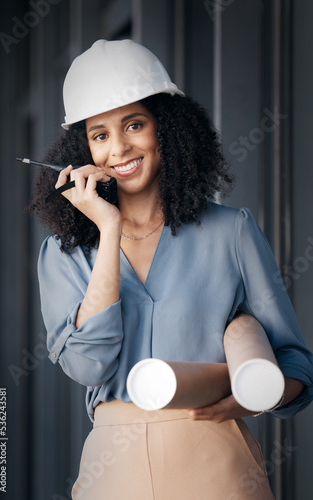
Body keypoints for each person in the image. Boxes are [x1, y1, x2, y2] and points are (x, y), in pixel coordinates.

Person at [30, 39, 313, 499]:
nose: (118, 148)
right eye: (100, 135)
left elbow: (296, 364)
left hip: (218, 466)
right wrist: (107, 229)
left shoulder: (231, 233)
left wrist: (258, 391)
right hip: (114, 475)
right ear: (82, 150)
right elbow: (88, 364)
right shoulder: (64, 254)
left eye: (135, 125)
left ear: (168, 128)